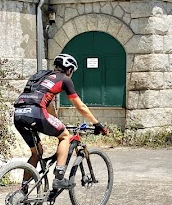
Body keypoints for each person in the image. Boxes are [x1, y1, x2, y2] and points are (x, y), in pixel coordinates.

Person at [13, 53, 107, 189]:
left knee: (36, 152)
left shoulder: (42, 76)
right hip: (35, 112)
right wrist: (96, 124)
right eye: (72, 71)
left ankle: (23, 191)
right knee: (65, 136)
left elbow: (48, 104)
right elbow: (80, 106)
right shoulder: (64, 79)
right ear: (69, 69)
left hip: (19, 113)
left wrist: (56, 121)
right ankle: (59, 178)